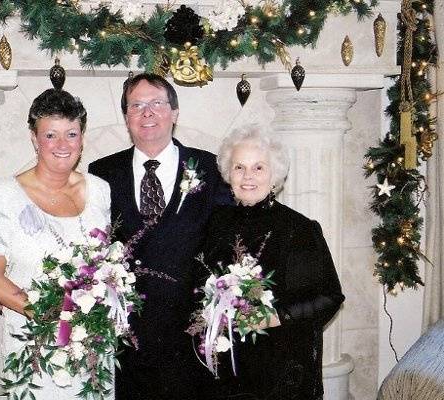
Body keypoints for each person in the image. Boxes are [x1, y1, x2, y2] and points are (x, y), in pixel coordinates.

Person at [89, 73, 231, 400]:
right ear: (126, 117)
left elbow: (225, 241)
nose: (147, 113)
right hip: (128, 339)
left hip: (191, 337)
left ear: (175, 113)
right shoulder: (101, 173)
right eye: (136, 105)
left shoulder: (210, 168)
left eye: (156, 103)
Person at [0, 89, 111, 399]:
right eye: (51, 135)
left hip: (92, 342)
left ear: (82, 139)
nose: (62, 145)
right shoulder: (3, 196)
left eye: (71, 134)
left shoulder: (100, 190)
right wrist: (52, 315)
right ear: (34, 139)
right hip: (33, 341)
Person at [201, 125, 345, 400]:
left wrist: (275, 317)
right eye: (239, 167)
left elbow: (329, 296)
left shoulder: (299, 228)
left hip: (279, 368)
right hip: (226, 367)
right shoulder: (215, 223)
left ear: (274, 175)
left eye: (258, 168)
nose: (247, 177)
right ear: (228, 174)